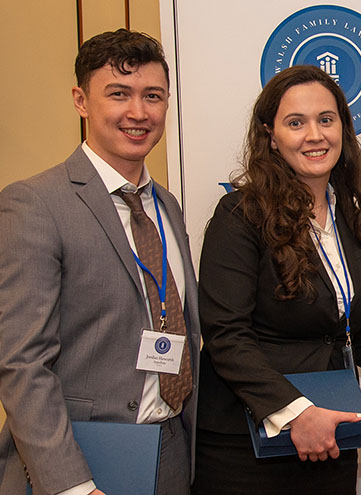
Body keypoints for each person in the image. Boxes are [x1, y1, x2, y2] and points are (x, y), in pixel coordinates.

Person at [193, 65, 361, 495]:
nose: (315, 135)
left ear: (343, 128)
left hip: (329, 434)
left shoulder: (352, 215)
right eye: (296, 123)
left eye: (326, 120)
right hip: (248, 446)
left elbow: (349, 335)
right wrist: (294, 412)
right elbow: (225, 337)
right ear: (270, 135)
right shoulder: (240, 216)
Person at [0, 29, 200, 495]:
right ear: (81, 100)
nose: (139, 112)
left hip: (171, 447)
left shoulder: (166, 205)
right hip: (81, 459)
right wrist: (72, 486)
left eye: (153, 96)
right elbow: (22, 363)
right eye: (119, 94)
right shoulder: (34, 204)